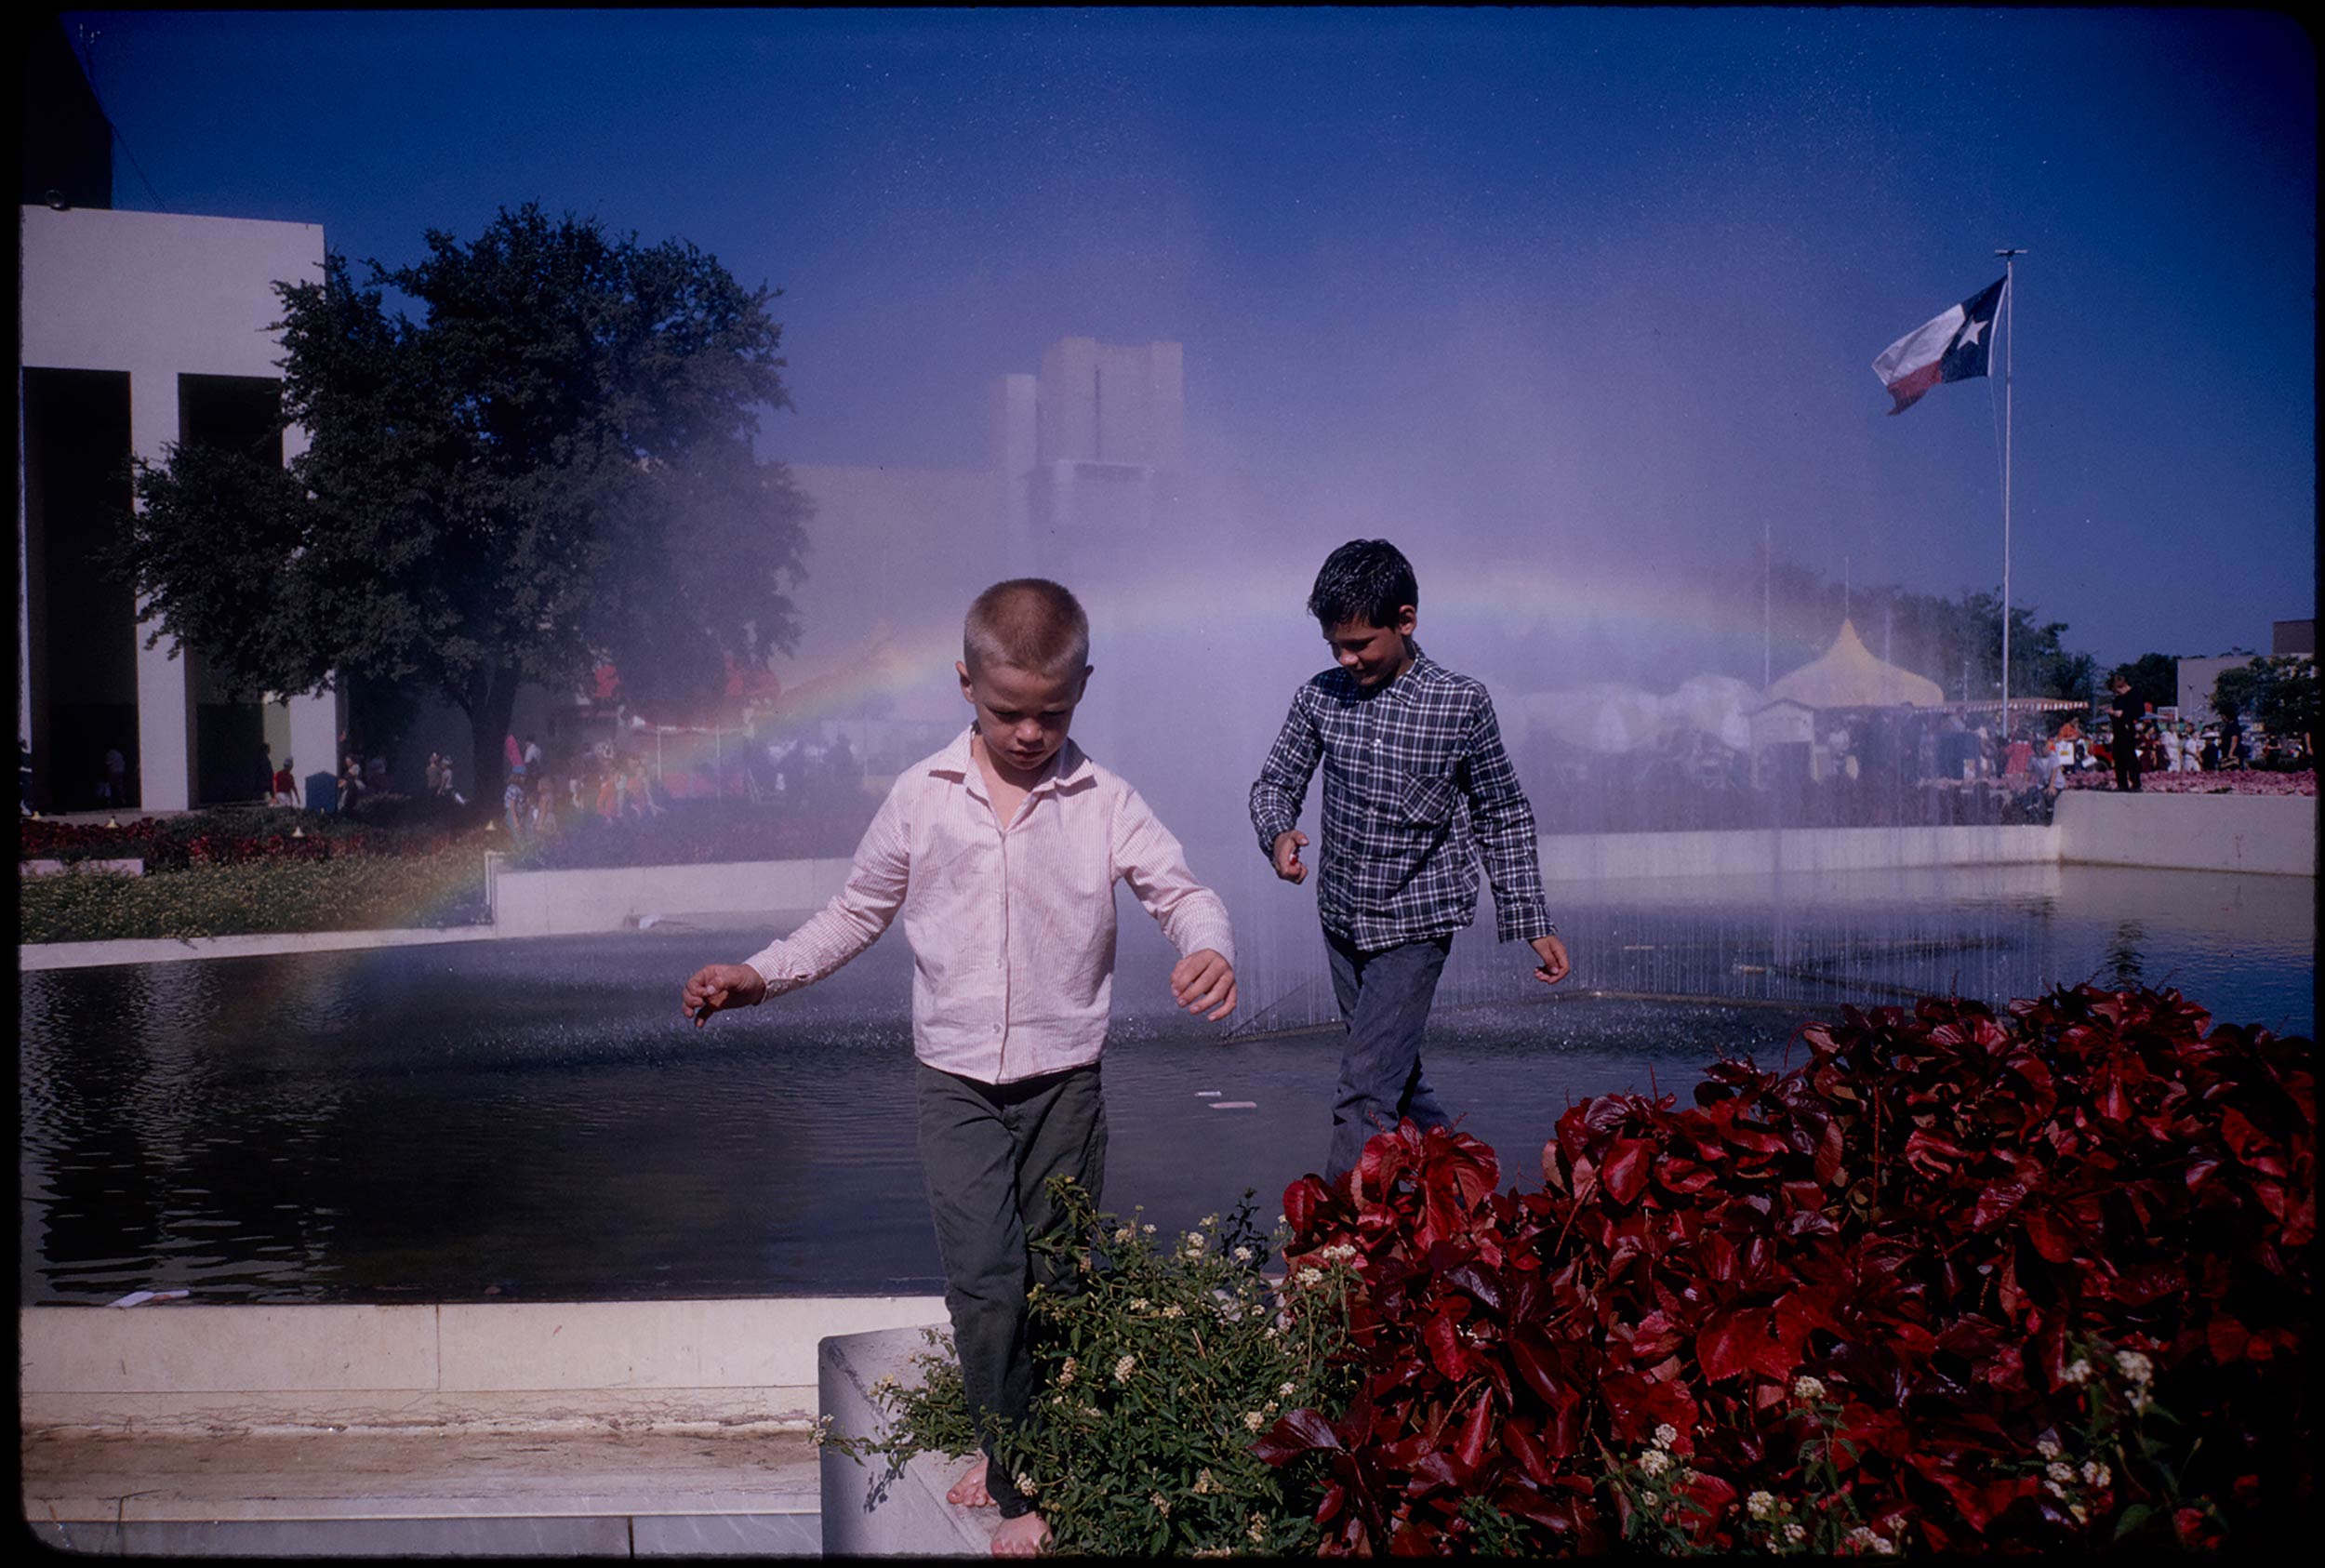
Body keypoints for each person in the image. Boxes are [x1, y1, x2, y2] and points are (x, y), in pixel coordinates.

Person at [680, 578, 1235, 1558]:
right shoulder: (921, 796)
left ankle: (1019, 1441)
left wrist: (1208, 946)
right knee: (985, 1280)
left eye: (1051, 713)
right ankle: (1023, 1484)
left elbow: (1181, 892)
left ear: (1083, 687)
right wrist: (758, 977)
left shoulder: (1104, 800)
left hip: (1064, 1084)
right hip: (956, 1084)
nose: (1030, 733)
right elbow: (855, 912)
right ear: (965, 684)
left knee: (1056, 1280)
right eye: (1008, 710)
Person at [1250, 538, 1571, 1185]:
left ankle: (1338, 1234)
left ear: (1405, 620)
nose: (1346, 659)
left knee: (1365, 1088)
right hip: (1342, 920)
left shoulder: (1460, 703)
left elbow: (1502, 813)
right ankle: (1466, 1196)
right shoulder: (1319, 698)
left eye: (1359, 645)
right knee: (1396, 1077)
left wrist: (1530, 918)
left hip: (1415, 927)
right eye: (1335, 647)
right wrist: (1278, 832)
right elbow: (1274, 782)